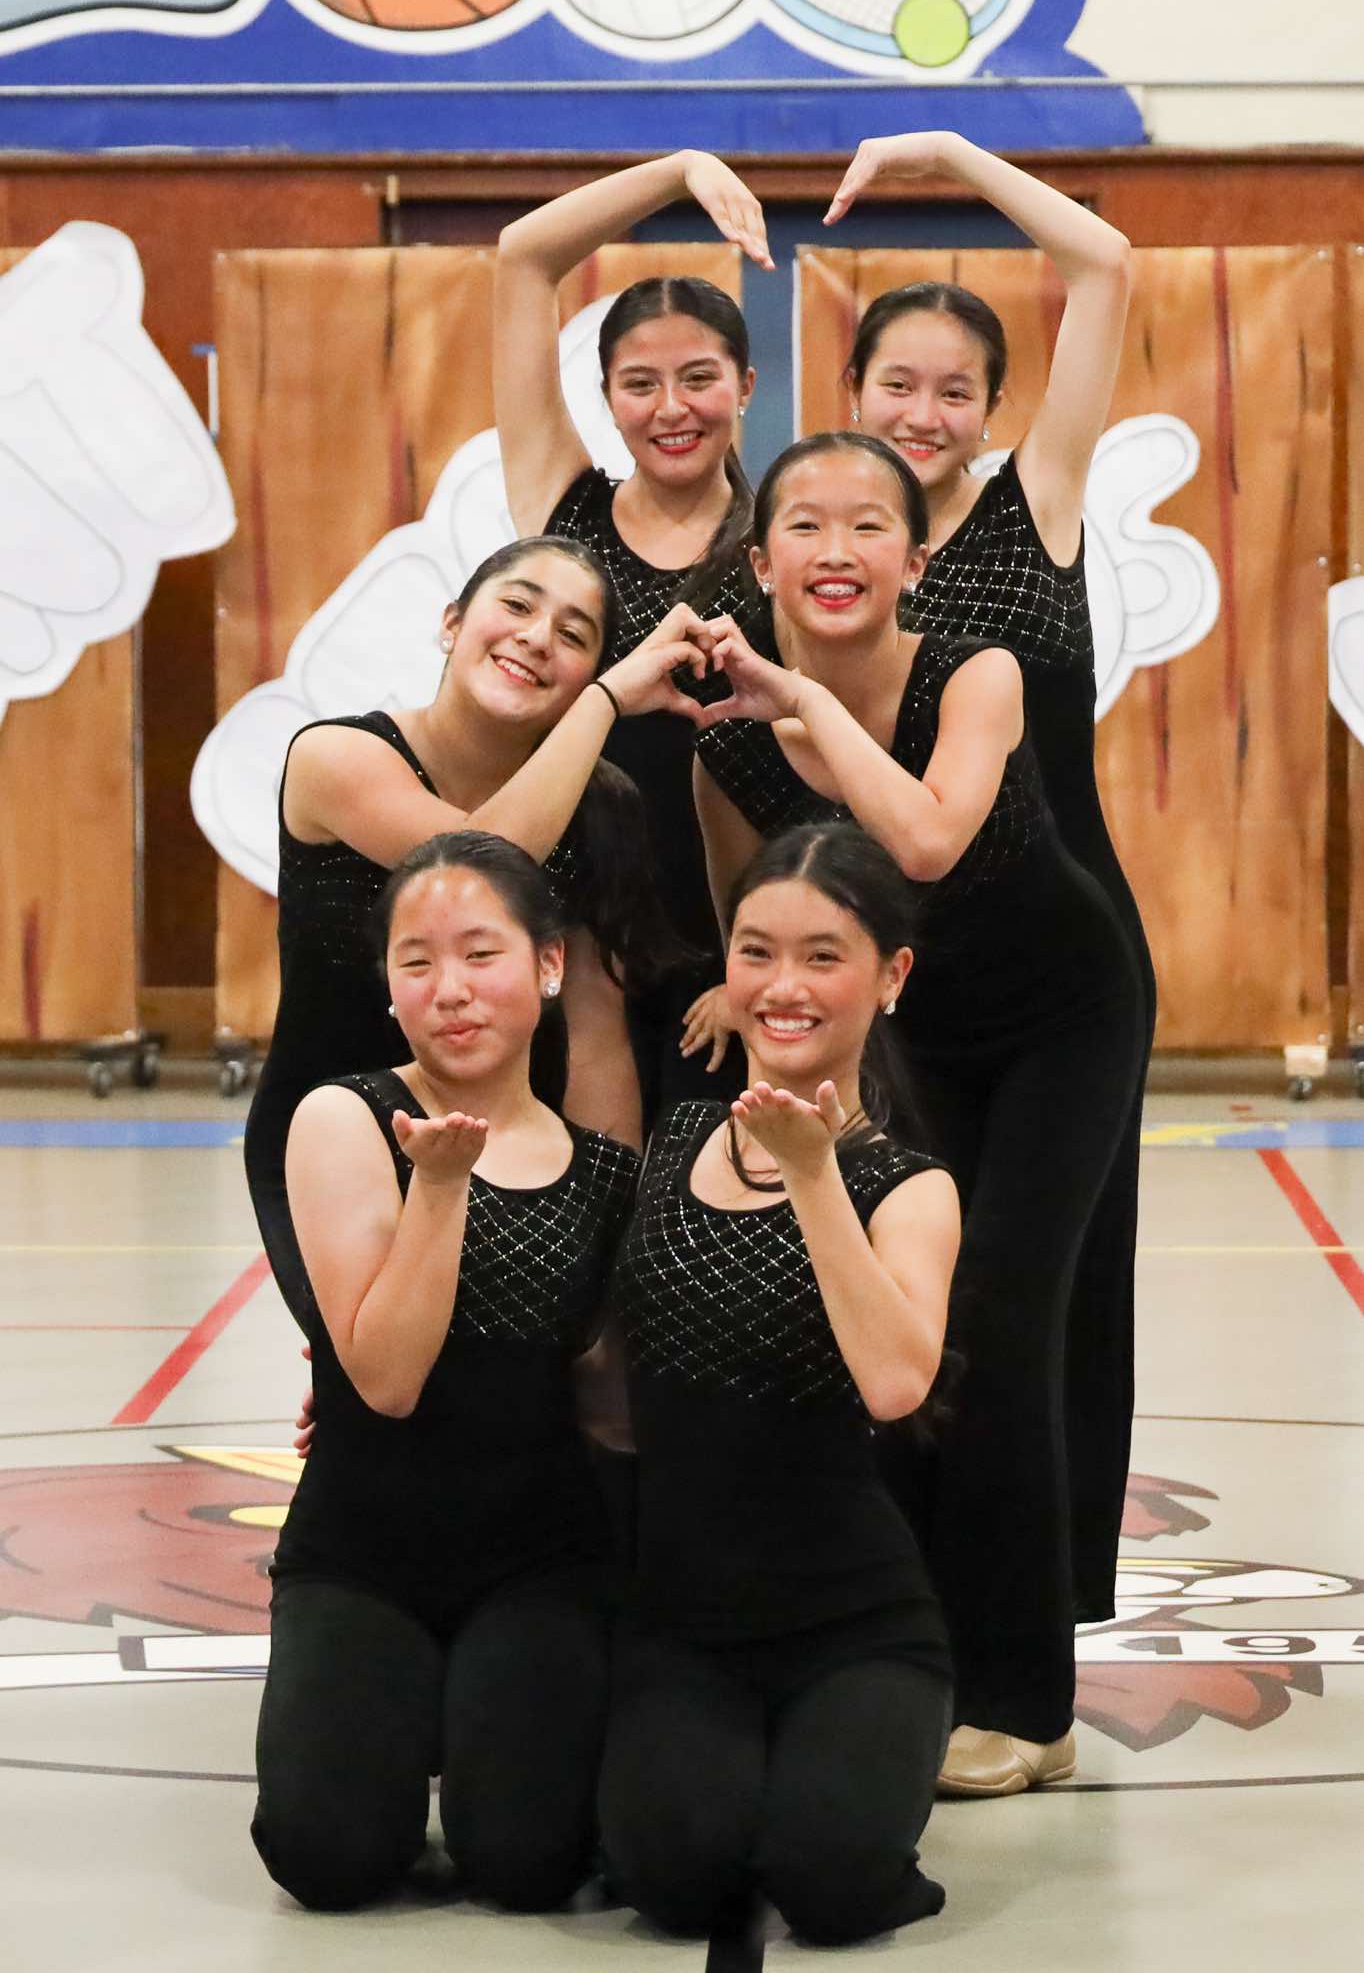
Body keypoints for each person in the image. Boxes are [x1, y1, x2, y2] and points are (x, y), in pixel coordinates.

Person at [692, 432, 1145, 1795]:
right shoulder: (730, 750)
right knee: (904, 1339)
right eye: (804, 526)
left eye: (868, 526)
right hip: (909, 1035)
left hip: (1063, 1017)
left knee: (1001, 1329)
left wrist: (802, 703)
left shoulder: (975, 671)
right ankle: (908, 1656)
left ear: (917, 559)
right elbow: (756, 926)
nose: (835, 551)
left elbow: (927, 838)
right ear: (758, 559)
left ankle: (1028, 1704)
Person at [829, 128, 1156, 1632]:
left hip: (1064, 948)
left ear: (994, 408)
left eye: (954, 389)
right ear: (849, 393)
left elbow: (1104, 262)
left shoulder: (1040, 502)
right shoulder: (837, 541)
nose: (923, 411)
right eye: (896, 383)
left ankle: (1045, 1604)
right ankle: (916, 1595)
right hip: (905, 970)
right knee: (917, 1281)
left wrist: (954, 152)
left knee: (1051, 1285)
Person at [251, 832, 639, 1912]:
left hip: (535, 1557)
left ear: (548, 965)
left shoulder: (605, 1172)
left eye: (480, 953)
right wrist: (440, 1185)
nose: (450, 989)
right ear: (387, 985)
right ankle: (398, 1716)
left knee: (527, 1864)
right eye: (416, 961)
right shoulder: (343, 1118)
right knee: (326, 1857)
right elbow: (384, 1380)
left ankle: (477, 1721)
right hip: (361, 1549)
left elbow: (614, 1403)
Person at [601, 823, 958, 1944]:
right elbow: (597, 1360)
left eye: (823, 955)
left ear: (890, 976)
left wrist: (814, 1173)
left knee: (831, 1884)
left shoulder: (910, 1188)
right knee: (674, 1879)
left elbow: (896, 1381)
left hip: (853, 1622)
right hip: (683, 1624)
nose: (783, 986)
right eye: (755, 951)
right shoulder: (675, 1139)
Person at [244, 534, 712, 1327]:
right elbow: (479, 870)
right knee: (385, 1370)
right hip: (338, 1144)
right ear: (452, 623)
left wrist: (610, 1216)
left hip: (518, 1156)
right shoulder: (338, 756)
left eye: (574, 636)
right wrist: (603, 703)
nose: (537, 637)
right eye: (518, 605)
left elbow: (596, 1032)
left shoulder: (602, 805)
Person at [495, 153, 773, 1113]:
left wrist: (759, 960)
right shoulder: (564, 511)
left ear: (744, 384)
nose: (670, 409)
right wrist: (681, 170)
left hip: (731, 952)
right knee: (587, 1184)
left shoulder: (783, 541)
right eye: (639, 383)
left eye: (699, 379)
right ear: (607, 394)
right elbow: (523, 257)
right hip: (579, 935)